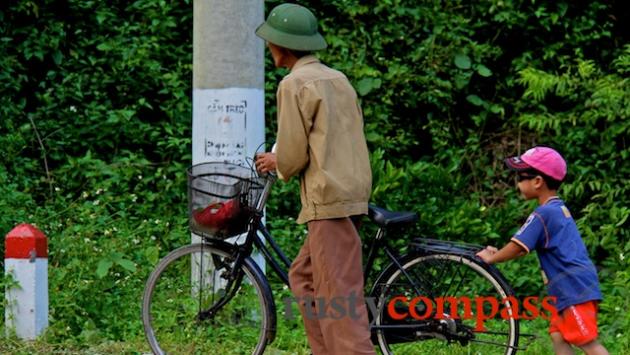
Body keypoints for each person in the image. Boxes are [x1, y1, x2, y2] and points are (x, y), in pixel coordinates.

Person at [254, 3, 375, 355]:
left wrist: (276, 161)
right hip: (351, 191)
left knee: (339, 297)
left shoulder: (294, 84)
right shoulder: (337, 78)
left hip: (329, 199)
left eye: (271, 42)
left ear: (281, 46)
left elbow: (293, 155)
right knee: (304, 278)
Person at [477, 146, 608, 355]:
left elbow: (518, 248)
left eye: (521, 177)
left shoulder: (543, 214)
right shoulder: (558, 209)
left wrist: (492, 258)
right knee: (558, 335)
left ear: (537, 181)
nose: (517, 183)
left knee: (586, 342)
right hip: (571, 287)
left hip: (573, 289)